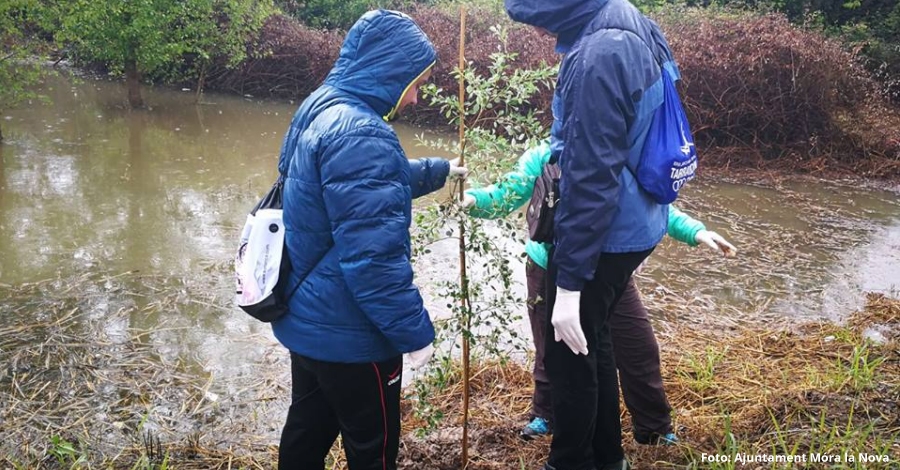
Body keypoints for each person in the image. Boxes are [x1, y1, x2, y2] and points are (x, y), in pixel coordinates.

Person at [270, 10, 465, 470]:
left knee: (307, 429)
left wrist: (438, 171)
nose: (414, 97)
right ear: (389, 72)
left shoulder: (322, 107)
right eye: (414, 82)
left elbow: (358, 187)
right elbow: (373, 262)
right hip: (355, 337)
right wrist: (415, 333)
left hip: (309, 319)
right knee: (372, 448)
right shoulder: (363, 133)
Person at [504, 0, 696, 468]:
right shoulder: (630, 23)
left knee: (570, 363)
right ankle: (608, 457)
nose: (540, 29)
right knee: (594, 344)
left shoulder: (599, 54)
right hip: (638, 221)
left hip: (606, 232)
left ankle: (569, 461)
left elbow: (589, 174)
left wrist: (568, 283)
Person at [463, 142, 736, 445]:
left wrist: (696, 232)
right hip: (547, 268)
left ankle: (654, 428)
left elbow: (654, 207)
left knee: (639, 348)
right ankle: (546, 414)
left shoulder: (618, 154)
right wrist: (471, 200)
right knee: (550, 348)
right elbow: (505, 195)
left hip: (606, 270)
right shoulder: (544, 155)